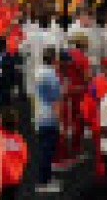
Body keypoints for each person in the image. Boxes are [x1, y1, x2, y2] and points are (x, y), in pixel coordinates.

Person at [34, 46, 62, 193]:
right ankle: (43, 183)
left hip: (39, 115)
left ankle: (47, 177)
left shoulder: (38, 72)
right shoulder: (52, 76)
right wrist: (59, 122)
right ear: (53, 59)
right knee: (47, 151)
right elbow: (55, 102)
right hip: (49, 118)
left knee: (45, 149)